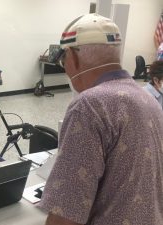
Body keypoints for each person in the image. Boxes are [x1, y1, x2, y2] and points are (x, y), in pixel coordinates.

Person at [39, 13, 163, 225]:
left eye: (63, 61)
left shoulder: (89, 106)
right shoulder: (148, 99)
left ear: (73, 57)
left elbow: (65, 213)